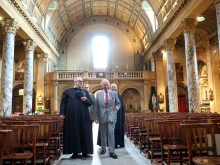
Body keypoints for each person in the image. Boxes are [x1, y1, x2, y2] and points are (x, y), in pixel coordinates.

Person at [59, 77, 93, 159]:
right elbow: (63, 103)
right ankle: (75, 152)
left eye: (82, 81)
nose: (81, 83)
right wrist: (62, 113)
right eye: (80, 81)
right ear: (75, 82)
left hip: (84, 116)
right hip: (72, 116)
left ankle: (85, 151)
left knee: (84, 132)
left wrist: (86, 100)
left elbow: (90, 102)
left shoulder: (85, 92)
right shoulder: (68, 91)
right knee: (74, 133)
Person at [94, 79, 121, 159]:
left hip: (111, 116)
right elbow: (96, 107)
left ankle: (112, 152)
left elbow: (118, 103)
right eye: (104, 85)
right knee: (103, 134)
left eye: (107, 85)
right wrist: (95, 117)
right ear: (102, 86)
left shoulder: (114, 93)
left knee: (111, 133)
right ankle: (103, 148)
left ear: (109, 85)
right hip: (102, 116)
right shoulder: (98, 95)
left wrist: (116, 108)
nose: (106, 86)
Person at [110, 83, 125, 148]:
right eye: (112, 87)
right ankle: (113, 144)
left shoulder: (120, 96)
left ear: (116, 88)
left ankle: (120, 143)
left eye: (114, 87)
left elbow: (122, 107)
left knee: (119, 129)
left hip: (119, 116)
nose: (113, 88)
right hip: (111, 115)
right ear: (110, 88)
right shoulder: (109, 96)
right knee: (112, 130)